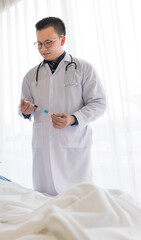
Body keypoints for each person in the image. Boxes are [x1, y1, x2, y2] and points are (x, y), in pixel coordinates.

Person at [19, 17, 106, 196]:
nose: (43, 48)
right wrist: (25, 112)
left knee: (79, 202)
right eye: (39, 43)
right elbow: (24, 107)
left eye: (48, 42)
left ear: (63, 39)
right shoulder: (31, 76)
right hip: (43, 148)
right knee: (46, 203)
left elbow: (99, 103)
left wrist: (73, 119)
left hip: (72, 147)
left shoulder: (84, 68)